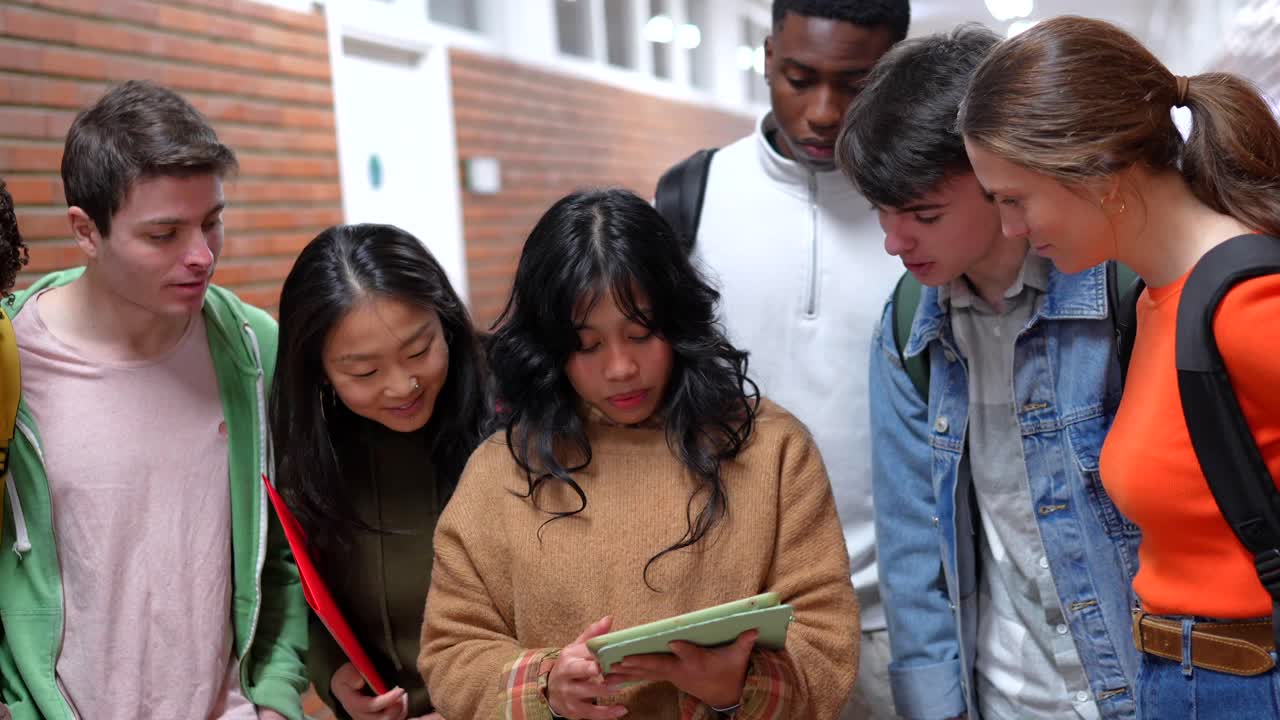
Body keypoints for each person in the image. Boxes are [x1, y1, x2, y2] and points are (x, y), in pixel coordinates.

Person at [418, 188, 859, 720]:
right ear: (549, 348)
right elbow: (451, 651)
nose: (621, 368)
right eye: (588, 345)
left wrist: (735, 688)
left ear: (677, 323)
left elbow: (826, 642)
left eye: (641, 334)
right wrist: (547, 688)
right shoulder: (500, 470)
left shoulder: (773, 449)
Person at [957, 15, 1280, 718]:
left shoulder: (1247, 304)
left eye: (1015, 198)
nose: (1011, 229)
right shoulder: (1156, 302)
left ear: (1096, 169)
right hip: (1181, 676)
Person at [835, 24, 1141, 720]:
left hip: (1136, 680)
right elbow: (912, 546)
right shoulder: (910, 321)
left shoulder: (1119, 289)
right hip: (1005, 691)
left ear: (997, 176)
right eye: (882, 211)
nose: (894, 240)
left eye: (923, 213)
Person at [2, 80, 306, 719]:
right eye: (164, 234)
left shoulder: (256, 351)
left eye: (212, 223)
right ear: (87, 232)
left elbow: (283, 556)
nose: (202, 256)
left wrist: (275, 699)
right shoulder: (9, 361)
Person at [661, 3, 910, 713]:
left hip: (900, 623)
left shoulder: (930, 208)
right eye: (798, 78)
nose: (824, 112)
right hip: (730, 624)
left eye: (856, 83)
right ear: (768, 55)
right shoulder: (691, 196)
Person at [270, 223, 488, 720]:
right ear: (320, 369)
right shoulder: (309, 453)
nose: (402, 386)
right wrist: (336, 677)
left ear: (447, 321)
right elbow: (302, 596)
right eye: (364, 372)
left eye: (419, 350)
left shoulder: (514, 416)